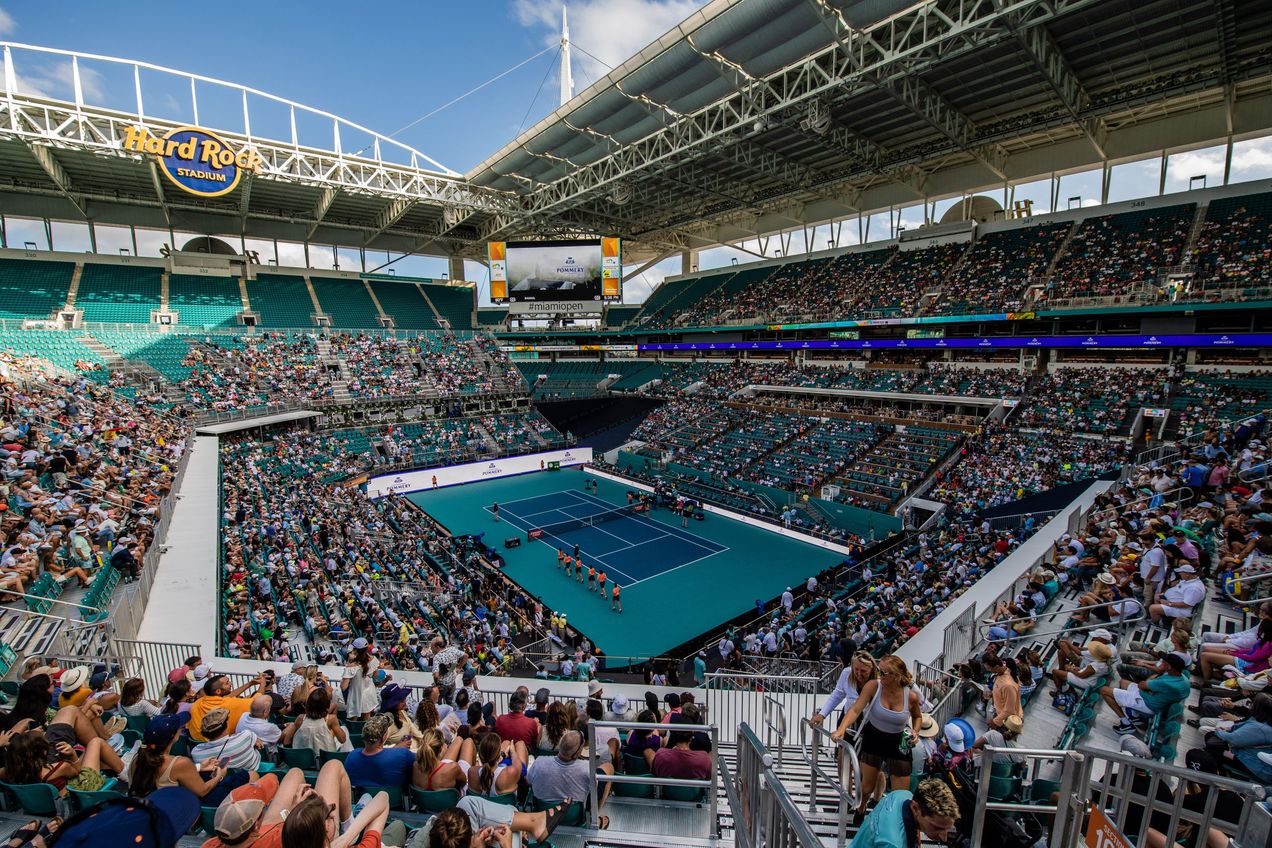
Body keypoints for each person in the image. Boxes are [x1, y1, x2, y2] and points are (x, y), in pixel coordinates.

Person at [832, 656, 922, 815]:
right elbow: (855, 709)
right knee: (866, 786)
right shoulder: (874, 686)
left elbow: (917, 716)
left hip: (898, 741)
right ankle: (861, 809)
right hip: (874, 737)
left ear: (896, 675)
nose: (879, 675)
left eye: (883, 672)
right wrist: (841, 729)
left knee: (900, 794)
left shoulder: (911, 696)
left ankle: (894, 820)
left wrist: (915, 730)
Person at [130, 713, 245, 804]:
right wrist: (219, 776)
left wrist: (200, 767)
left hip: (153, 806)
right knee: (242, 777)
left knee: (206, 775)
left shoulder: (137, 759)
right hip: (173, 811)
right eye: (179, 727)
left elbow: (164, 774)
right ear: (173, 736)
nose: (182, 728)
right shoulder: (180, 762)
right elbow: (202, 791)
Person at [414, 796, 573, 848]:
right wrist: (508, 845)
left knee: (467, 803)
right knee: (512, 825)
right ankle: (530, 825)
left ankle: (531, 823)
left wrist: (476, 843)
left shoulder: (423, 838)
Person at [848, 777, 960, 847]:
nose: (944, 838)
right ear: (915, 808)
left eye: (947, 829)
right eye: (936, 827)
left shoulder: (902, 795)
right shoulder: (893, 843)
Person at [527, 730, 606, 827]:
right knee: (607, 769)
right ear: (578, 753)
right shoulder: (586, 768)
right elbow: (595, 788)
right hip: (573, 819)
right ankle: (595, 817)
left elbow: (529, 781)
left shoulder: (539, 762)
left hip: (543, 816)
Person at [1100, 654, 1192, 735]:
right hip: (1157, 699)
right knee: (1123, 682)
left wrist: (1152, 679)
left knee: (1104, 690)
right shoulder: (1184, 679)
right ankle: (1134, 716)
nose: (1161, 663)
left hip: (1149, 704)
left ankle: (1126, 724)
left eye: (1164, 662)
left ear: (1169, 667)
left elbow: (1142, 685)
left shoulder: (1166, 682)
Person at [189, 673, 270, 742]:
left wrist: (250, 683)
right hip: (220, 744)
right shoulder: (229, 705)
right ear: (218, 691)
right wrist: (263, 684)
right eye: (227, 683)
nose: (230, 683)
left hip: (198, 743)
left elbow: (227, 697)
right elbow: (257, 701)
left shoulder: (197, 703)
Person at [345, 714, 417, 789]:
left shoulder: (351, 756)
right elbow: (423, 760)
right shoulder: (403, 755)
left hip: (361, 799)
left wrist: (395, 748)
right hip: (393, 800)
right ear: (383, 737)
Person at [811, 652, 878, 729]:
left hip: (869, 724)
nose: (859, 674)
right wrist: (822, 714)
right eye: (856, 669)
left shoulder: (879, 681)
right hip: (847, 721)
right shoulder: (846, 673)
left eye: (863, 671)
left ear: (871, 669)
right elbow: (837, 695)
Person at [281, 686, 351, 754]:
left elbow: (287, 741)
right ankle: (347, 758)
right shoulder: (331, 719)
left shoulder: (300, 718)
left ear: (308, 704)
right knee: (344, 729)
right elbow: (342, 740)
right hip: (326, 756)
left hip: (304, 758)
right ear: (327, 705)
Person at [192, 708, 263, 772]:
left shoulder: (196, 752)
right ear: (226, 726)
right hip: (254, 777)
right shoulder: (246, 736)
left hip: (219, 783)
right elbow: (257, 741)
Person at [413, 727, 476, 792]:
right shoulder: (453, 767)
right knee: (469, 741)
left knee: (459, 739)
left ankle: (460, 737)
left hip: (426, 798)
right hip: (454, 799)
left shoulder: (415, 766)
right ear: (440, 749)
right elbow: (464, 782)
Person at [469, 732, 528, 798]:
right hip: (504, 807)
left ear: (480, 754)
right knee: (520, 744)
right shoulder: (509, 772)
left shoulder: (472, 772)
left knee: (507, 742)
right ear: (498, 756)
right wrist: (513, 751)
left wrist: (501, 754)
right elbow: (520, 768)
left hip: (481, 807)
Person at [342, 638, 379, 721]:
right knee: (366, 720)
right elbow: (375, 675)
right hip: (369, 693)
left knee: (353, 721)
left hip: (356, 695)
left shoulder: (351, 667)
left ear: (355, 649)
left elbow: (343, 687)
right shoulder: (373, 660)